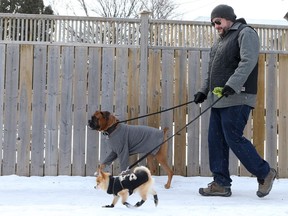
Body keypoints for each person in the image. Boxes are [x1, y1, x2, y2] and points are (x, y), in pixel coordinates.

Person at [194, 4, 276, 197]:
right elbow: (212, 71)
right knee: (215, 140)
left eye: (218, 21)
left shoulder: (245, 33)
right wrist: (203, 91)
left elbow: (248, 61)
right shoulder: (220, 41)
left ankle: (265, 173)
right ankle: (221, 183)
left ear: (228, 18)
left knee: (233, 138)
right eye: (213, 23)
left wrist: (233, 84)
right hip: (219, 99)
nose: (215, 26)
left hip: (239, 97)